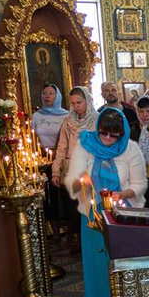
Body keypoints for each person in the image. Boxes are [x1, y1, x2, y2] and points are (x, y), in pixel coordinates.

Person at [64, 108, 146, 297]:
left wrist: (121, 194)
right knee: (98, 267)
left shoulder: (130, 148)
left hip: (124, 214)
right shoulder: (85, 144)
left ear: (121, 134)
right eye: (103, 133)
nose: (108, 139)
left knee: (125, 265)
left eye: (113, 135)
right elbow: (73, 178)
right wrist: (83, 184)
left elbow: (139, 184)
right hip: (92, 215)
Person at [52, 86, 99, 252]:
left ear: (87, 100)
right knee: (73, 208)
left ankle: (93, 238)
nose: (76, 106)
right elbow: (61, 147)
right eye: (73, 103)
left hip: (90, 169)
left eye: (79, 102)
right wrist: (56, 171)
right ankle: (78, 240)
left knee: (89, 205)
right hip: (71, 170)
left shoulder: (96, 120)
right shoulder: (68, 121)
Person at [33, 84, 70, 237]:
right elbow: (33, 137)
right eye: (45, 93)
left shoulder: (66, 115)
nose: (47, 96)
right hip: (43, 160)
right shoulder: (36, 116)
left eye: (51, 93)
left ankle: (71, 232)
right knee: (49, 196)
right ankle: (54, 232)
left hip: (63, 158)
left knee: (66, 196)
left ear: (57, 96)